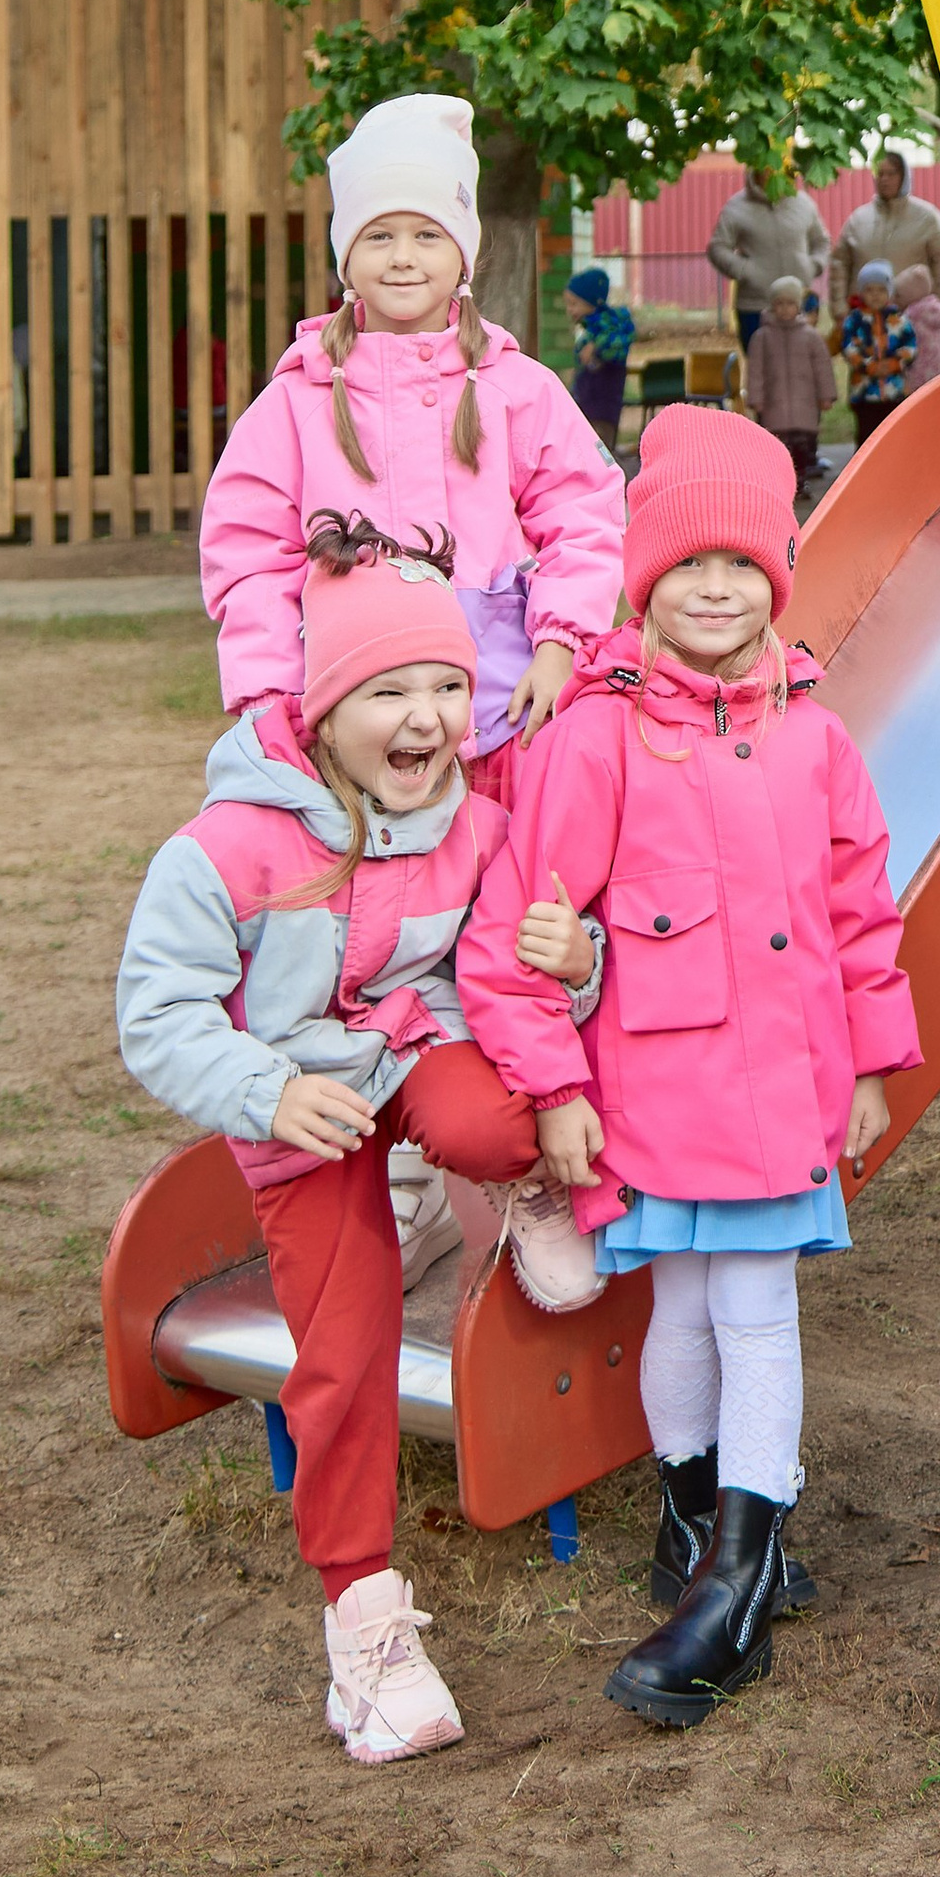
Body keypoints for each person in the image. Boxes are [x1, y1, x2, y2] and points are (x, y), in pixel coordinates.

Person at [115, 526, 605, 1763]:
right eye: (390, 691)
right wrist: (267, 1092)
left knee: (491, 1116)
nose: (429, 719)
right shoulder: (227, 846)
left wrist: (581, 970)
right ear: (323, 708)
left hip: (421, 1049)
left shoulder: (477, 823)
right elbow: (157, 1012)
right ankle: (364, 1624)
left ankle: (518, 1193)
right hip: (302, 1102)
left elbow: (515, 976)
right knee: (342, 1347)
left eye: (448, 686)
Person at [459, 410, 919, 1727]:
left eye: (741, 567)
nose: (714, 591)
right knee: (683, 1310)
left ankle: (732, 1583)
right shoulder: (595, 739)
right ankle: (694, 1517)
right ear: (640, 580)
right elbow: (516, 945)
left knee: (758, 1309)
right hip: (655, 1087)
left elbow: (859, 915)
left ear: (775, 578)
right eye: (686, 566)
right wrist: (554, 1091)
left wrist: (875, 1061)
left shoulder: (814, 740)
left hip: (781, 1083)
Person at [202, 95, 626, 809]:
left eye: (428, 234)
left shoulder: (517, 390)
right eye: (378, 236)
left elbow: (584, 519)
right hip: (348, 736)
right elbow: (249, 558)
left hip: (501, 722)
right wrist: (274, 699)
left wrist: (561, 646)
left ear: (463, 248)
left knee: (504, 902)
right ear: (346, 256)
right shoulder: (293, 404)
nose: (402, 258)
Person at [706, 162, 830, 354]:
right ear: (755, 169)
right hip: (755, 307)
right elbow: (717, 247)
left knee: (800, 369)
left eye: (778, 166)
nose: (772, 172)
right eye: (767, 166)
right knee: (761, 373)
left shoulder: (804, 204)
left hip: (799, 304)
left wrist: (812, 266)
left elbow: (822, 242)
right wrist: (745, 270)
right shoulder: (736, 207)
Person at [744, 273, 837, 495]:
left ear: (798, 306)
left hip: (804, 406)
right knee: (777, 448)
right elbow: (755, 370)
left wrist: (826, 395)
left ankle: (800, 480)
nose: (785, 309)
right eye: (779, 304)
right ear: (772, 306)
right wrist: (755, 398)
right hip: (773, 405)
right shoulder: (762, 337)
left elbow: (822, 368)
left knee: (803, 447)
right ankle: (780, 485)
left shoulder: (811, 336)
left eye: (790, 304)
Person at [833, 151, 940, 313]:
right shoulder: (857, 220)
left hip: (913, 320)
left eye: (891, 174)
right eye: (880, 173)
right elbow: (839, 266)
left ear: (904, 176)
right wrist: (839, 310)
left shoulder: (927, 218)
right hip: (863, 321)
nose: (884, 179)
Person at [838, 258, 916, 454]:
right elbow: (848, 347)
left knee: (893, 435)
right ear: (861, 292)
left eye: (881, 290)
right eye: (869, 290)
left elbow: (911, 344)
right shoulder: (854, 320)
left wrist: (894, 364)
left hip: (894, 392)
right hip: (864, 392)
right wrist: (868, 366)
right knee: (866, 437)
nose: (875, 295)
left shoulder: (898, 318)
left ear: (889, 292)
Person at [565, 265, 635, 446]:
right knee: (587, 451)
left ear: (592, 302)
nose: (570, 310)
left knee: (602, 454)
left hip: (603, 409)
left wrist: (597, 348)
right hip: (587, 404)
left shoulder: (611, 327)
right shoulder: (590, 329)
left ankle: (612, 473)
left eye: (574, 304)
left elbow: (619, 345)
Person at [901, 282, 940, 394]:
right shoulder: (939, 308)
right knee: (939, 394)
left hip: (919, 368)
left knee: (920, 398)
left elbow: (905, 338)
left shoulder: (911, 314)